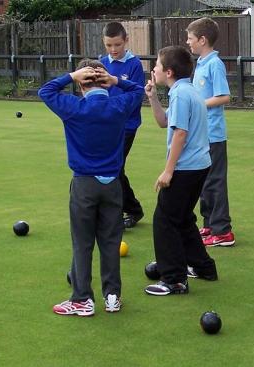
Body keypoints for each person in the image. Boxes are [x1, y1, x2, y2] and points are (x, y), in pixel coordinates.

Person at [38, 59, 144, 316]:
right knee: (110, 241)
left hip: (84, 184)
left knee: (83, 243)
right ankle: (112, 296)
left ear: (81, 85)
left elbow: (45, 91)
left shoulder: (74, 107)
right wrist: (116, 80)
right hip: (113, 184)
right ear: (104, 82)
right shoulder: (118, 105)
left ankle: (82, 299)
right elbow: (138, 91)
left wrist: (71, 76)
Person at [144, 46, 218, 296]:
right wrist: (153, 98)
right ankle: (204, 267)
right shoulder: (187, 91)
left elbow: (180, 133)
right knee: (183, 218)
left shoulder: (181, 95)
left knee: (164, 220)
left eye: (156, 65)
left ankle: (174, 278)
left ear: (169, 71)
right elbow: (164, 122)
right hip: (199, 166)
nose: (153, 69)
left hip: (186, 168)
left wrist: (168, 171)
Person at [186, 17, 235, 247]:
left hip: (214, 134)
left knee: (215, 181)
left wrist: (199, 104)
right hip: (201, 133)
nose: (188, 42)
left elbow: (224, 96)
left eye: (191, 38)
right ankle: (209, 224)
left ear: (202, 40)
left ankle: (223, 231)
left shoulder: (215, 64)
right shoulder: (202, 63)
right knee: (204, 180)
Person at [100, 22, 145, 229]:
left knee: (115, 168)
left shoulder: (134, 64)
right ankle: (132, 209)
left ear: (126, 40)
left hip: (127, 126)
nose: (113, 49)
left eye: (117, 44)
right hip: (107, 126)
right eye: (109, 45)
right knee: (114, 168)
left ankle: (123, 212)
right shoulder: (101, 62)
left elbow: (135, 97)